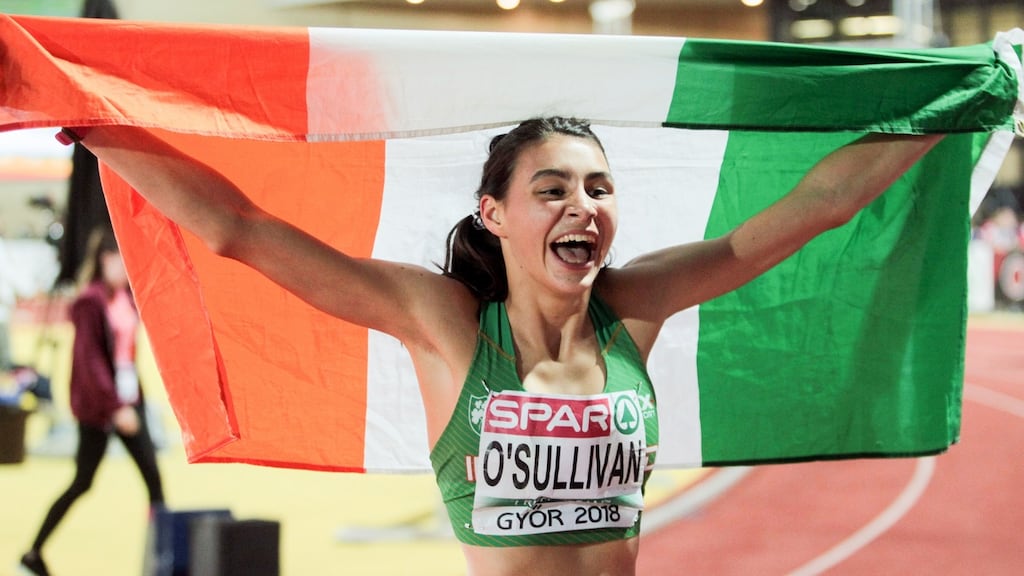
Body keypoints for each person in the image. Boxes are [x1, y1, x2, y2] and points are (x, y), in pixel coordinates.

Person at [58, 118, 941, 576]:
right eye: (551, 189)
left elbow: (812, 209)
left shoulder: (634, 308)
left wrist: (952, 107)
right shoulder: (443, 324)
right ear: (496, 214)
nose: (581, 206)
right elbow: (239, 230)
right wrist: (93, 126)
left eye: (598, 187)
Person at [20, 226, 165, 576]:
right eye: (121, 258)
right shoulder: (89, 301)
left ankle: (164, 557)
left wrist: (130, 403)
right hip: (103, 408)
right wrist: (116, 407)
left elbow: (125, 355)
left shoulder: (126, 298)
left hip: (130, 401)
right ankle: (33, 553)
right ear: (106, 259)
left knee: (155, 484)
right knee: (82, 481)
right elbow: (91, 362)